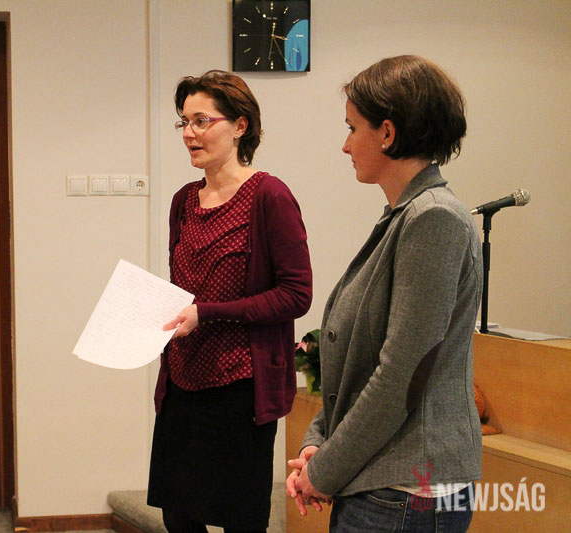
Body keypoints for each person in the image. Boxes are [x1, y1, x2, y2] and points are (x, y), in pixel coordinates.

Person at [286, 55, 483, 532]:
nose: (346, 145)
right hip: (383, 480)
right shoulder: (405, 215)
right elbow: (360, 357)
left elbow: (400, 374)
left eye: (353, 128)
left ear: (388, 134)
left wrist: (324, 470)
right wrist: (318, 442)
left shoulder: (433, 218)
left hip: (408, 488)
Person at [147, 70, 313, 532]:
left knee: (241, 522)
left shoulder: (269, 196)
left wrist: (208, 314)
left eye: (201, 121)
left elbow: (296, 294)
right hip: (182, 384)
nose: (189, 133)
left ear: (240, 125)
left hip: (240, 390)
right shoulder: (184, 201)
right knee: (179, 519)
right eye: (183, 122)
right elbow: (187, 287)